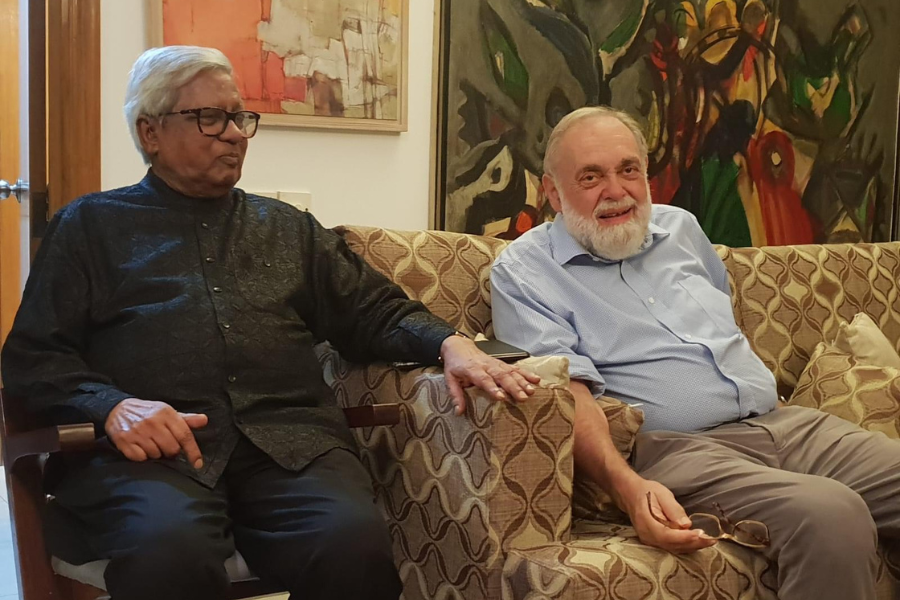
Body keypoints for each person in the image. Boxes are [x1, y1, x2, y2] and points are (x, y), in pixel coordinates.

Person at [0, 45, 540, 600]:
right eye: (209, 117)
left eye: (239, 117)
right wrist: (111, 407)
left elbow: (373, 311)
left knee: (354, 547)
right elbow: (33, 359)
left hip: (291, 449)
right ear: (150, 132)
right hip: (151, 459)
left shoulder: (288, 230)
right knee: (169, 552)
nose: (234, 133)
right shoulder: (89, 228)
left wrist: (451, 343)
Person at [490, 106, 900, 600]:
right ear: (552, 192)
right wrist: (627, 486)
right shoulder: (525, 272)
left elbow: (723, 323)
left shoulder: (681, 229)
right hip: (675, 451)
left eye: (628, 170)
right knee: (833, 515)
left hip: (786, 425)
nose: (615, 191)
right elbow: (566, 394)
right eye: (591, 177)